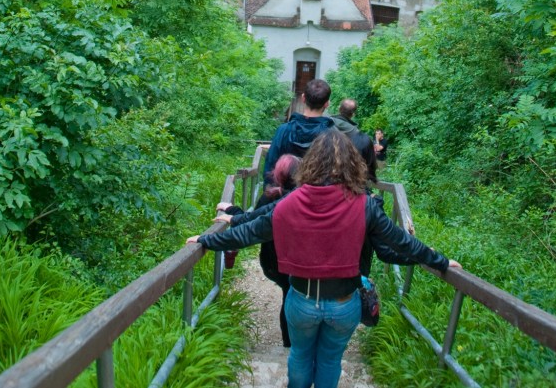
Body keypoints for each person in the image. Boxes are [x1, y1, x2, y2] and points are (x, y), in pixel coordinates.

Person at [188, 130, 460, 388]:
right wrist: (441, 261)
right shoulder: (364, 204)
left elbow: (249, 233)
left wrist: (206, 240)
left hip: (302, 299)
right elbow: (402, 242)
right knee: (330, 359)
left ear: (311, 162)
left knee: (300, 356)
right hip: (344, 304)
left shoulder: (292, 201)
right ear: (354, 163)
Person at [216, 153, 301, 347]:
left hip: (273, 263)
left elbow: (253, 221)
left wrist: (232, 212)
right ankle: (297, 346)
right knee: (294, 292)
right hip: (297, 262)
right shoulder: (304, 199)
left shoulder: (270, 198)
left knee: (289, 293)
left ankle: (290, 346)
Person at [264, 79, 334, 179]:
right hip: (315, 193)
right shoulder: (333, 136)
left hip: (285, 192)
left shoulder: (283, 130)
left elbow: (270, 165)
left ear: (303, 98)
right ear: (327, 104)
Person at [329, 98, 376, 175]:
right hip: (347, 172)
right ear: (353, 114)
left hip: (325, 169)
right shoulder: (357, 134)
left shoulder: (326, 123)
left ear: (339, 109)